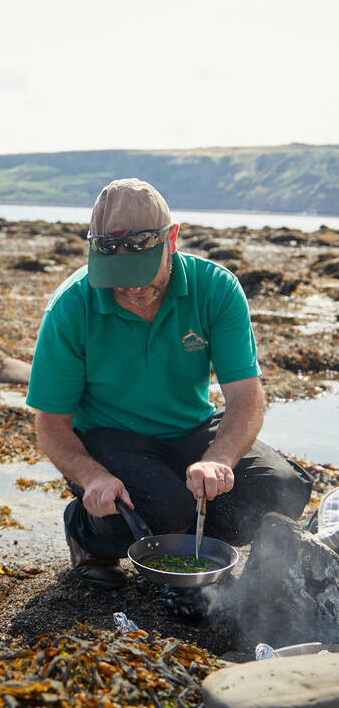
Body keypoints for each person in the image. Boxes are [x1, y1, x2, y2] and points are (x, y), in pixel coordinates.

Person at [26, 178, 312, 596]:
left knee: (280, 489)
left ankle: (179, 537)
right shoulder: (71, 306)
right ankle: (87, 532)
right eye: (118, 277)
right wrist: (93, 478)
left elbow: (246, 399)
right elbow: (50, 424)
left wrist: (219, 459)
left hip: (192, 428)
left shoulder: (216, 287)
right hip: (110, 437)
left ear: (171, 240)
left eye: (142, 273)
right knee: (163, 508)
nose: (132, 288)